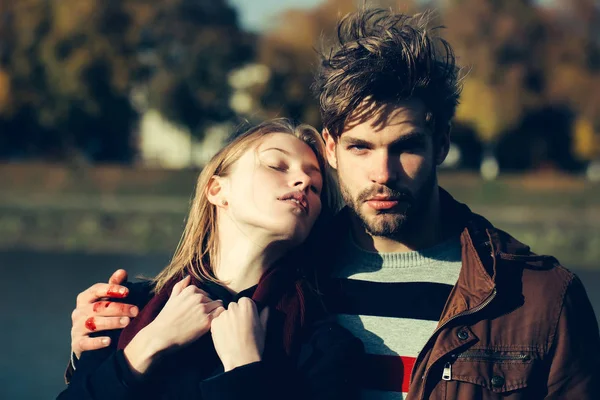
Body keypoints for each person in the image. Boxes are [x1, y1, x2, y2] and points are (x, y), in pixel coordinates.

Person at [66, 8, 600, 400]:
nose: (383, 174)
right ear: (331, 149)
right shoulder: (285, 275)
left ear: (441, 145)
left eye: (407, 147)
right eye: (361, 147)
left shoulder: (538, 299)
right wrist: (109, 343)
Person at [58, 119, 363, 400]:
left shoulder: (325, 348)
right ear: (217, 190)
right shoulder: (125, 310)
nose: (303, 181)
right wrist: (146, 346)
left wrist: (244, 369)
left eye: (316, 185)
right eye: (277, 165)